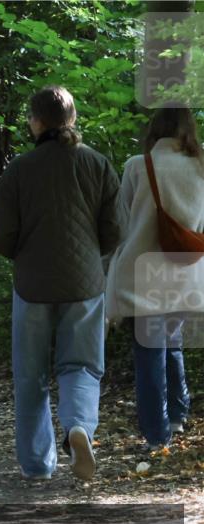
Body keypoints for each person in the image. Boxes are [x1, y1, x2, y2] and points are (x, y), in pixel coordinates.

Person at [0, 85, 120, 481]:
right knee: (81, 366)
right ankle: (79, 426)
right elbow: (113, 231)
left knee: (30, 376)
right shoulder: (97, 164)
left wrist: (25, 255)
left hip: (32, 284)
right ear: (73, 119)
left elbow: (2, 237)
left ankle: (37, 464)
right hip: (84, 285)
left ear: (37, 122)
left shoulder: (19, 169)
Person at [105, 107, 204, 451]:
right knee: (172, 342)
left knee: (149, 352)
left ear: (155, 129)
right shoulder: (200, 167)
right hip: (186, 273)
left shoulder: (137, 165)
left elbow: (122, 221)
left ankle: (156, 433)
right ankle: (178, 415)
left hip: (144, 273)